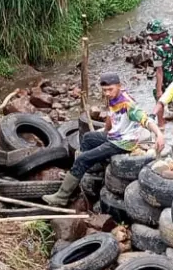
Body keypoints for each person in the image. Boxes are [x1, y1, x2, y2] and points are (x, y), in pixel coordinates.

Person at [43, 72, 164, 208]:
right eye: (104, 90)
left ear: (119, 86)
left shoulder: (128, 105)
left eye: (110, 89)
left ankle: (62, 196)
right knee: (88, 138)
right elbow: (111, 116)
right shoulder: (114, 97)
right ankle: (87, 170)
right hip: (114, 136)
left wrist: (159, 134)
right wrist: (106, 131)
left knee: (82, 159)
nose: (107, 93)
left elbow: (145, 119)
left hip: (123, 142)